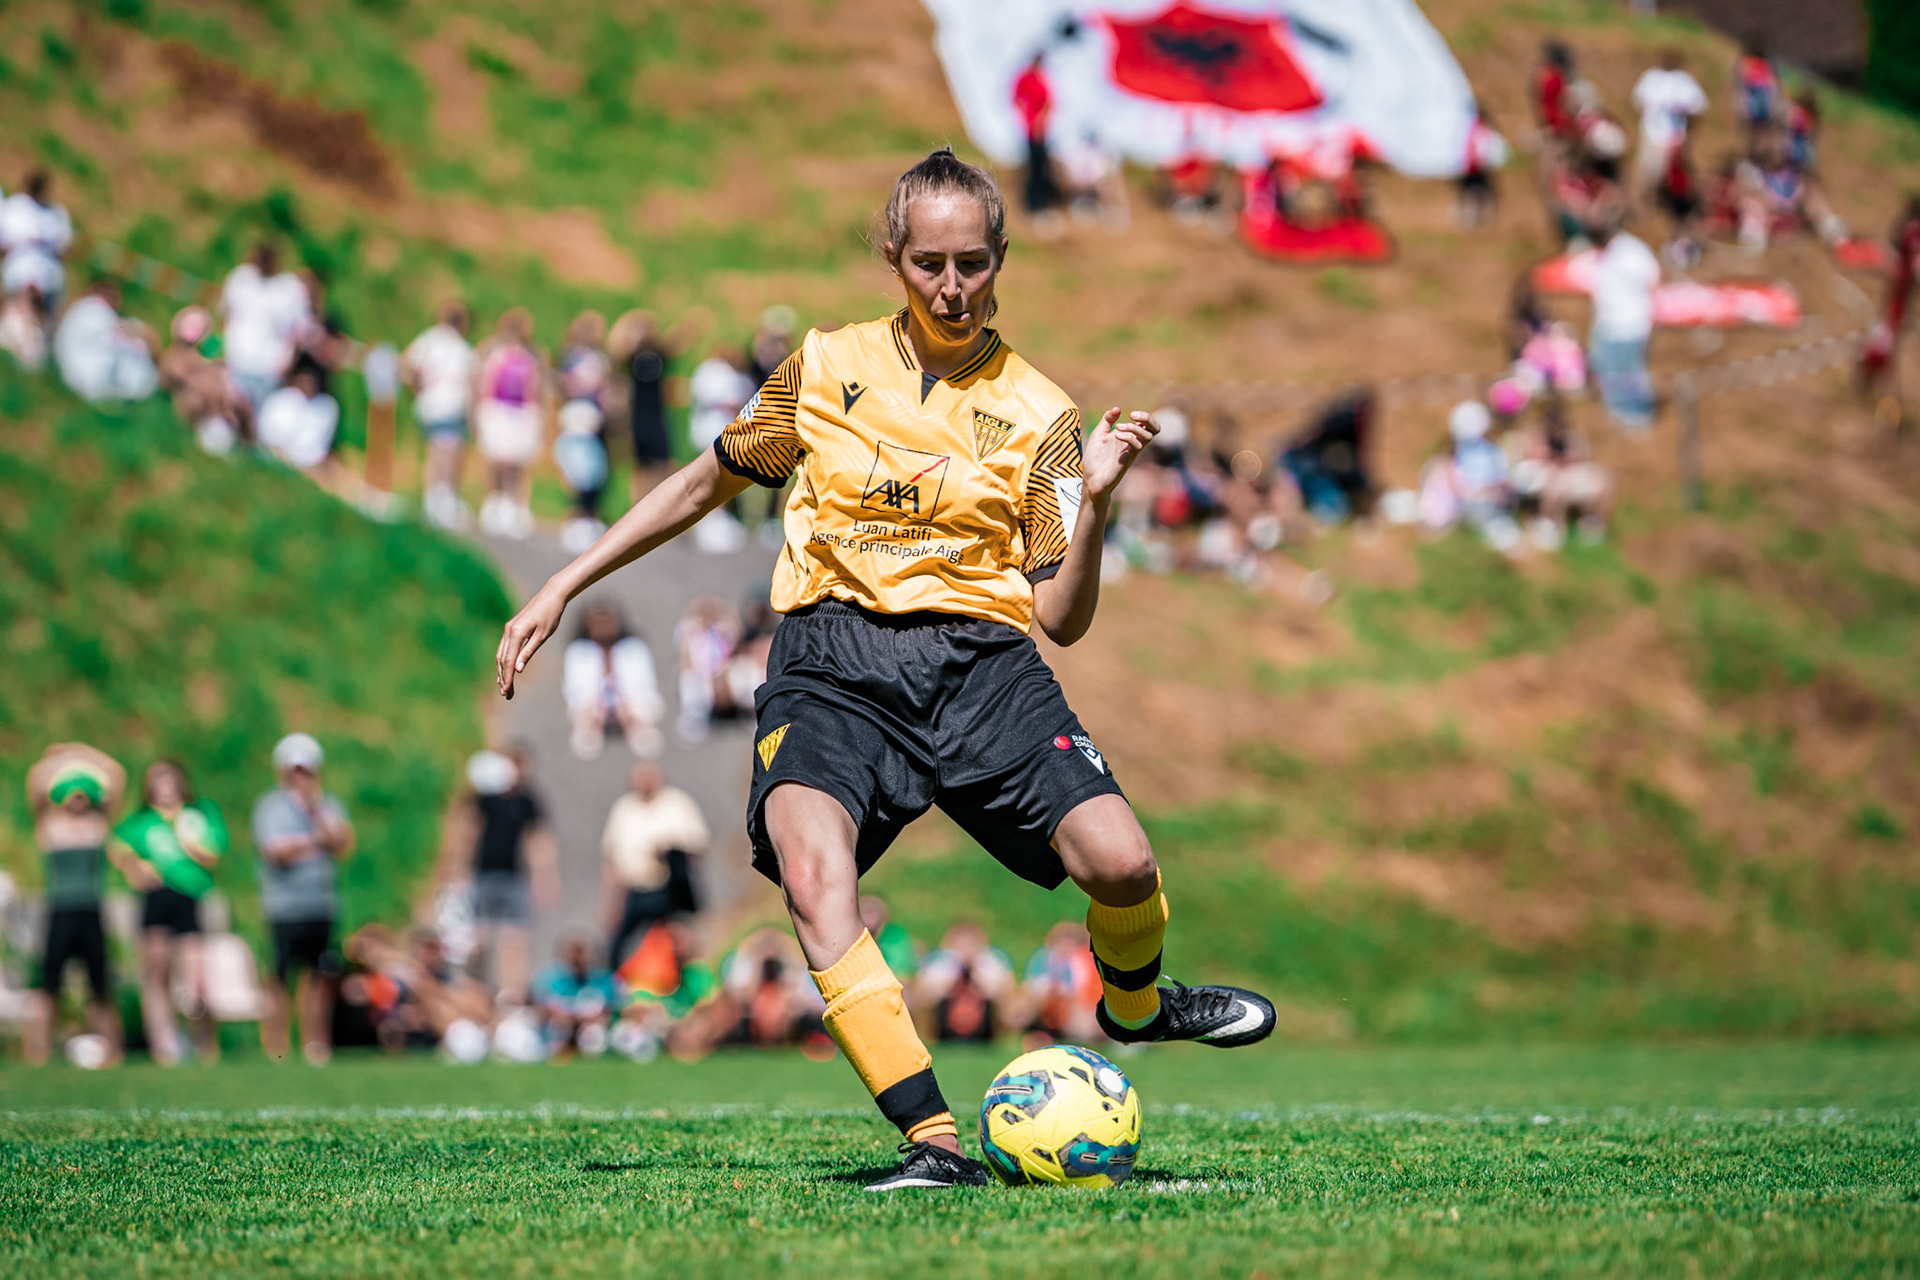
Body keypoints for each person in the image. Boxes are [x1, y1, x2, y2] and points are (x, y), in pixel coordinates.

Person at [493, 148, 1277, 1191]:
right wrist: (564, 582)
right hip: (833, 661)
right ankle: (935, 1141)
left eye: (971, 264)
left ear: (1001, 258)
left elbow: (1061, 615)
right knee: (817, 877)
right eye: (927, 265)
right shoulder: (823, 367)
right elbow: (699, 485)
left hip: (983, 666)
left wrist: (1098, 501)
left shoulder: (1042, 413)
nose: (951, 287)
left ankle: (1134, 1002)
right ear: (893, 259)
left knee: (1124, 864)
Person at [110, 760, 228, 1066]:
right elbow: (117, 846)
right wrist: (136, 868)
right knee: (156, 970)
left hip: (188, 895)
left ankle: (204, 1042)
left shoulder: (198, 815)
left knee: (196, 976)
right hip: (155, 897)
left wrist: (187, 840)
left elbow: (212, 855)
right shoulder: (143, 820)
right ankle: (163, 1044)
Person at [253, 732, 355, 1065]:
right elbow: (276, 851)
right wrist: (315, 841)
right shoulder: (272, 806)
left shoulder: (326, 805)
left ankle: (316, 1044)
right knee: (280, 977)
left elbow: (341, 842)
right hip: (284, 906)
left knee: (319, 977)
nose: (301, 777)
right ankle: (278, 1046)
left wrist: (315, 816)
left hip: (320, 903)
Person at [23, 744, 126, 1067]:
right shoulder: (50, 825)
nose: (77, 801)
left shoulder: (99, 823)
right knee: (49, 983)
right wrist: (57, 759)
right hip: (60, 910)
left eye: (83, 795)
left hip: (92, 911)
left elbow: (116, 776)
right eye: (72, 795)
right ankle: (37, 1049)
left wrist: (79, 751)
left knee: (100, 985)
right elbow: (34, 785)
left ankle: (112, 1048)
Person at [438, 746, 558, 1003]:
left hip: (515, 876)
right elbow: (467, 834)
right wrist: (457, 872)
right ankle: (474, 991)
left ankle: (510, 995)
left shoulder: (527, 800)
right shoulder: (485, 798)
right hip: (482, 875)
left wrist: (544, 879)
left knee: (514, 939)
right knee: (476, 938)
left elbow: (536, 840)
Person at [601, 760, 709, 969]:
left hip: (669, 889)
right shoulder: (624, 809)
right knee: (620, 944)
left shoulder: (676, 804)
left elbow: (696, 847)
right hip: (635, 889)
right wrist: (609, 900)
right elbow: (611, 858)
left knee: (676, 942)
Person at [402, 302, 476, 531]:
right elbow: (471, 382)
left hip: (429, 403)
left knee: (434, 450)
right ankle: (443, 499)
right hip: (451, 404)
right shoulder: (460, 347)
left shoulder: (429, 339)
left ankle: (432, 498)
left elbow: (405, 364)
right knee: (447, 452)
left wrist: (417, 389)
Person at [473, 308, 546, 539]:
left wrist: (540, 414)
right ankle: (494, 500)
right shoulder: (492, 350)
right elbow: (480, 379)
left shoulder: (534, 354)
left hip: (522, 411)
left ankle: (516, 504)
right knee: (496, 458)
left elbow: (539, 385)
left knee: (518, 460)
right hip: (497, 409)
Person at [561, 600, 666, 759]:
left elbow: (646, 683)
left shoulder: (634, 647)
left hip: (632, 706)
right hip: (591, 709)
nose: (603, 627)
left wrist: (628, 708)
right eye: (598, 623)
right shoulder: (578, 651)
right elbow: (573, 689)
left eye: (608, 622)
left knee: (647, 740)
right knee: (585, 742)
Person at [219, 243, 310, 412]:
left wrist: (287, 362)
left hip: (269, 368)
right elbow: (226, 313)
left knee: (261, 418)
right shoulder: (241, 279)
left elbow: (299, 331)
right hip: (238, 361)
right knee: (233, 411)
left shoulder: (290, 288)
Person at [1587, 222, 1661, 431]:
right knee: (1605, 369)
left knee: (1630, 373)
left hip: (1630, 324)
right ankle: (1618, 412)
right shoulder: (1601, 253)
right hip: (1606, 324)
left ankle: (1639, 415)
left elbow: (1654, 278)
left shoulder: (1631, 251)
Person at [555, 311, 615, 553]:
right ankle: (575, 519)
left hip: (595, 422)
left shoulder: (600, 360)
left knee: (594, 474)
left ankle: (589, 518)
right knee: (577, 474)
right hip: (576, 420)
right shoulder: (570, 357)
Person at [158, 305, 249, 455]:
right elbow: (168, 378)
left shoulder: (212, 357)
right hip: (198, 413)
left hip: (222, 412)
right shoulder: (176, 358)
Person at [53, 280, 159, 403]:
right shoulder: (92, 308)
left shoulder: (81, 312)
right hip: (96, 372)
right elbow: (118, 327)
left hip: (82, 376)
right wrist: (140, 331)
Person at [1630, 51, 1706, 212]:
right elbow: (1637, 101)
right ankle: (1643, 205)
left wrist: (1688, 129)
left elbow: (1698, 106)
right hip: (1651, 133)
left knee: (1677, 175)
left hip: (1676, 136)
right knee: (1648, 171)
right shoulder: (1650, 78)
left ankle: (1673, 206)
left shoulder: (1683, 81)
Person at [532, 934, 621, 1059]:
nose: (577, 957)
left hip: (591, 1026)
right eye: (573, 951)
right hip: (559, 1027)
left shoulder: (602, 977)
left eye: (581, 951)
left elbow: (611, 1006)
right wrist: (557, 1015)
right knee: (557, 1033)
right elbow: (539, 1005)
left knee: (595, 1038)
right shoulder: (548, 977)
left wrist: (593, 1017)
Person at [0, 170, 73, 311]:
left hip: (49, 281)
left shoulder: (56, 212)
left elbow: (67, 246)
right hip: (17, 278)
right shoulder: (13, 207)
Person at [256, 360, 341, 473]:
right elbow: (269, 439)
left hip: (310, 463)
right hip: (281, 457)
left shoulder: (326, 405)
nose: (307, 384)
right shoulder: (280, 401)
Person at [1012, 54, 1061, 222]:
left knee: (1038, 166)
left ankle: (1039, 199)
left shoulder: (1036, 79)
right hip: (1034, 130)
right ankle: (1036, 200)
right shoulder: (1029, 79)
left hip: (1038, 130)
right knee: (1037, 166)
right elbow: (1022, 100)